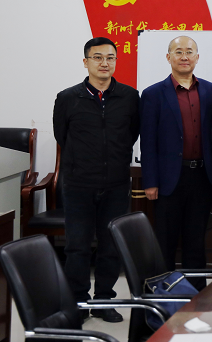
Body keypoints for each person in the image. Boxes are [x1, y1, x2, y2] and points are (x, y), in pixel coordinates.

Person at [53, 37, 140, 323]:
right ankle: (78, 302)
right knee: (77, 247)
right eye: (98, 57)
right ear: (86, 61)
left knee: (110, 246)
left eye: (110, 57)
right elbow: (62, 136)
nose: (105, 63)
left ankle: (103, 301)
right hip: (78, 184)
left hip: (116, 184)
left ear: (116, 61)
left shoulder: (129, 96)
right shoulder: (68, 98)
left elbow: (132, 133)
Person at [139, 36, 212, 289]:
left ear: (197, 57)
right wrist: (150, 182)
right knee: (166, 242)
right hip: (168, 180)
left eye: (189, 52)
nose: (184, 57)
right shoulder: (153, 94)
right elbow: (148, 141)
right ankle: (164, 296)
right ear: (168, 57)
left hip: (202, 177)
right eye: (178, 52)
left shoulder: (210, 90)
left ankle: (197, 296)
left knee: (196, 241)